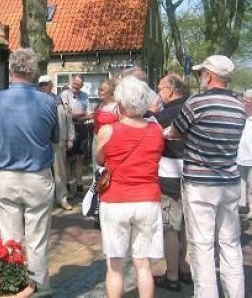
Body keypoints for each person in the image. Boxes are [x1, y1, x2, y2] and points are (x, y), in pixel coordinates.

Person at [165, 55, 246, 298]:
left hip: (200, 184)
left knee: (202, 247)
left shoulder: (197, 103)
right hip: (229, 182)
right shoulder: (239, 105)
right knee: (230, 245)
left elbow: (175, 132)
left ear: (209, 76)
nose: (201, 77)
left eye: (202, 74)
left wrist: (172, 133)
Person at [0, 49, 58, 287]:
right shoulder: (48, 101)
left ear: (10, 70)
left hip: (6, 176)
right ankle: (38, 290)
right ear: (34, 71)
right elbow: (55, 138)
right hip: (37, 176)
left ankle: (13, 288)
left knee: (10, 241)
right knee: (37, 242)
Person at [95, 76, 164, 298]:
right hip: (148, 200)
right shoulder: (156, 130)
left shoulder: (108, 130)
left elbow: (99, 160)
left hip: (115, 201)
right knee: (143, 264)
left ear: (120, 103)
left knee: (115, 265)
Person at [153, 74, 190, 291]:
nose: (158, 92)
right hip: (192, 175)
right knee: (184, 227)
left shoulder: (164, 115)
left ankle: (173, 276)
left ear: (169, 90)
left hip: (169, 176)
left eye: (160, 88)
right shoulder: (192, 109)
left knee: (170, 228)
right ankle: (184, 270)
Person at [38, 74, 75, 210]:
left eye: (46, 84)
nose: (43, 87)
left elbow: (68, 119)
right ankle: (44, 201)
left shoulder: (59, 100)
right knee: (41, 172)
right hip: (40, 141)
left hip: (58, 139)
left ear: (51, 85)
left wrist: (70, 137)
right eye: (41, 85)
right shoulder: (34, 101)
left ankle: (62, 198)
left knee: (60, 172)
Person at [61, 74, 90, 192]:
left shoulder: (85, 96)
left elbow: (89, 114)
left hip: (81, 128)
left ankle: (79, 187)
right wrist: (80, 114)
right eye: (75, 83)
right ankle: (67, 186)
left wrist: (77, 115)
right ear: (72, 82)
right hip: (68, 129)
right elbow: (66, 115)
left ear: (82, 85)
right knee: (67, 159)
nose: (76, 86)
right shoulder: (65, 94)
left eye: (79, 85)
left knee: (79, 159)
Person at [92, 79, 118, 172]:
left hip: (111, 141)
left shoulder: (117, 107)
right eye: (99, 89)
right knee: (97, 168)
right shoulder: (97, 106)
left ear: (110, 91)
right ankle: (97, 184)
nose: (99, 92)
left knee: (110, 167)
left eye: (102, 90)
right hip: (97, 140)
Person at [239, 89, 252, 219]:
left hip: (251, 157)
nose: (244, 104)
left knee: (251, 185)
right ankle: (241, 205)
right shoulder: (241, 117)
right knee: (240, 183)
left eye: (247, 102)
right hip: (239, 156)